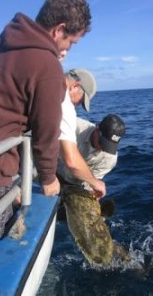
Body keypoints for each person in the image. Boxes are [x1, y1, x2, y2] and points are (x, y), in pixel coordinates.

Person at [0, 0, 91, 262]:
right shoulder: (47, 65)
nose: (66, 51)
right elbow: (45, 132)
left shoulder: (6, 42)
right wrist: (49, 179)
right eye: (70, 42)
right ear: (59, 29)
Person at [58, 114, 128, 266]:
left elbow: (88, 184)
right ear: (96, 129)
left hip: (74, 186)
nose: (102, 149)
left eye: (109, 146)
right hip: (46, 172)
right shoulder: (73, 126)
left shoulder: (109, 159)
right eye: (102, 142)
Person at [60, 69, 106, 197]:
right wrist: (95, 183)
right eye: (80, 101)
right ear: (75, 86)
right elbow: (72, 161)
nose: (76, 105)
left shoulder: (45, 83)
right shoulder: (65, 105)